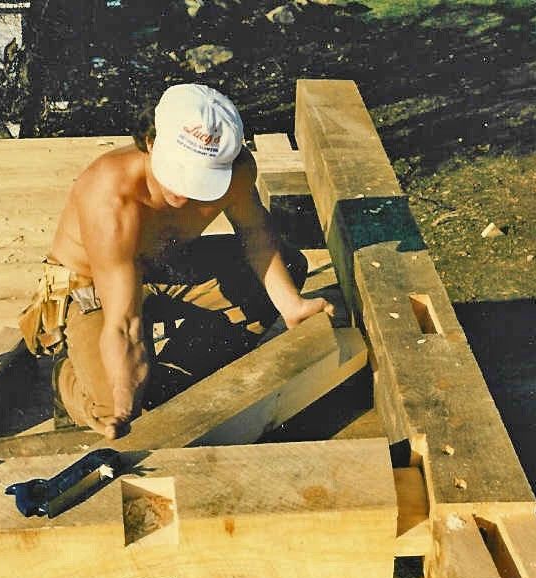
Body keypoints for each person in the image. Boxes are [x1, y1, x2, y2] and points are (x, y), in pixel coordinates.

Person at [34, 83, 333, 440]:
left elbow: (256, 235)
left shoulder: (237, 171)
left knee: (288, 266)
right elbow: (124, 322)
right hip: (93, 284)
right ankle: (66, 379)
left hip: (166, 264)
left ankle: (173, 376)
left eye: (199, 178)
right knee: (117, 406)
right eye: (176, 170)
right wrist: (123, 395)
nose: (183, 191)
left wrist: (292, 305)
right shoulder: (110, 194)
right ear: (149, 141)